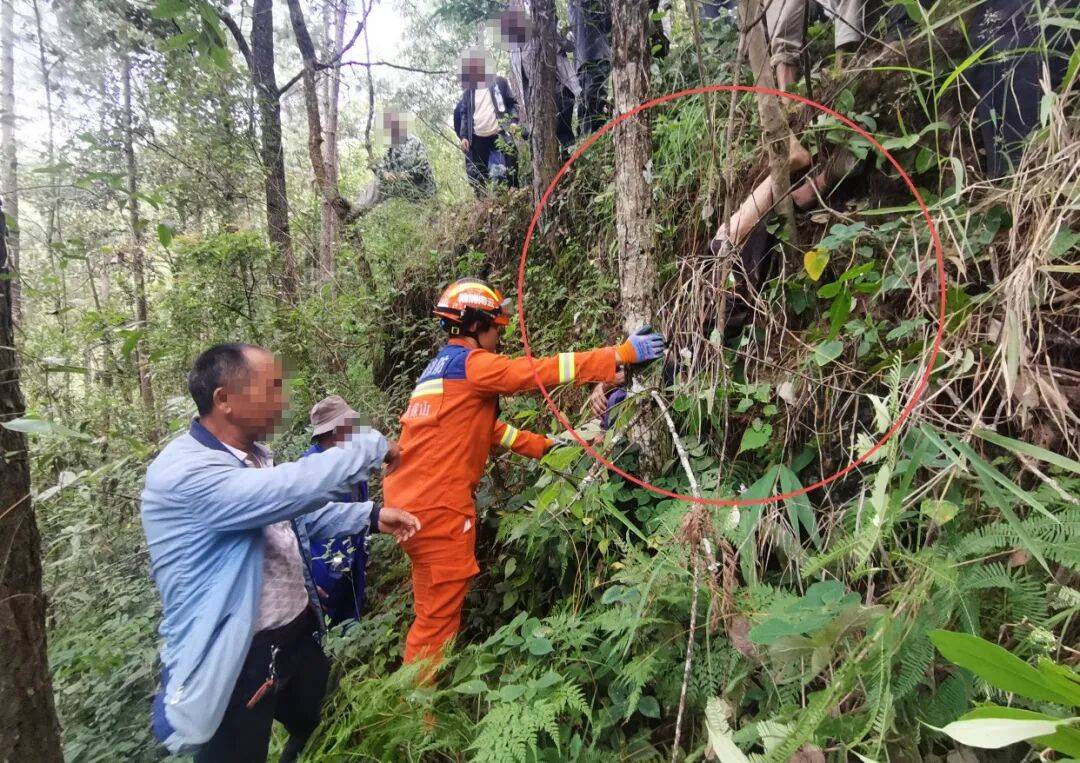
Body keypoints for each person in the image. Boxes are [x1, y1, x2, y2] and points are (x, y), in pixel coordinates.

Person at [141, 344, 420, 761]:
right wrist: (372, 444)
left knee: (326, 725)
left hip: (296, 636)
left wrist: (371, 516)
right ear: (224, 400)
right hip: (235, 663)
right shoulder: (184, 473)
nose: (284, 399)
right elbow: (294, 489)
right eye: (272, 387)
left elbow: (288, 523)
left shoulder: (251, 458)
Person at [383, 278, 665, 670]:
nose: (499, 337)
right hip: (438, 511)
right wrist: (617, 354)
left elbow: (485, 430)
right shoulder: (472, 365)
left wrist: (544, 446)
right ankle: (421, 719)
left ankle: (412, 694)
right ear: (476, 325)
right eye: (496, 329)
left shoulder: (436, 372)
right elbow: (535, 373)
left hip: (407, 505)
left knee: (429, 611)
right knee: (436, 622)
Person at [300, 395, 372, 627]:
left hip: (353, 559)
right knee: (332, 628)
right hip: (323, 569)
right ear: (335, 433)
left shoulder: (351, 462)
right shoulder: (307, 471)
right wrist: (304, 577)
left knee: (353, 620)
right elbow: (292, 529)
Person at [501, 2, 580, 148]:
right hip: (538, 100)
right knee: (546, 140)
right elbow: (524, 83)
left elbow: (569, 46)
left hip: (561, 90)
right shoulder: (514, 53)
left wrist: (554, 32)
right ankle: (567, 166)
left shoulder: (538, 28)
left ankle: (573, 163)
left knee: (563, 136)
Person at [453, 51, 521, 193]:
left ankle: (514, 191)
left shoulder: (499, 82)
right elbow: (465, 114)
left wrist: (514, 121)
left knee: (511, 159)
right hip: (478, 136)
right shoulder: (468, 92)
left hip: (500, 131)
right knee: (479, 171)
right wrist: (464, 136)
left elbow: (512, 103)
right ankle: (484, 201)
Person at [354, 109, 436, 216]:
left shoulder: (414, 142)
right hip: (405, 193)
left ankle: (357, 210)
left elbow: (423, 167)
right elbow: (381, 168)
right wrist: (385, 174)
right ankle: (356, 209)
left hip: (422, 192)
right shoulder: (391, 149)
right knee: (378, 183)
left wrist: (408, 174)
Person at [567, 0, 611, 135]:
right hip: (596, 55)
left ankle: (591, 140)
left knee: (588, 103)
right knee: (594, 102)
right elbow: (609, 24)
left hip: (584, 59)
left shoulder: (572, 4)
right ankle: (593, 140)